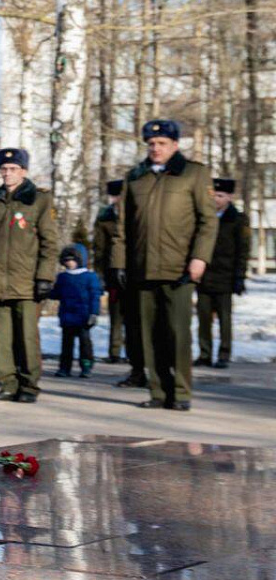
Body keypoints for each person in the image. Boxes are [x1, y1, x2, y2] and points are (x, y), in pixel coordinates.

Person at [111, 119, 217, 411]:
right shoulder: (135, 177)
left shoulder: (194, 174)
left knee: (177, 333)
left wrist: (199, 258)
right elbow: (123, 227)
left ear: (175, 144)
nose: (156, 148)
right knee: (149, 335)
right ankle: (158, 391)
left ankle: (181, 393)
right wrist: (119, 264)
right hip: (142, 268)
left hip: (179, 268)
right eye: (151, 144)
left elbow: (208, 222)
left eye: (162, 143)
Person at [0, 147, 58, 404]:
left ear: (24, 171)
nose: (7, 173)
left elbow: (49, 243)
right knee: (2, 338)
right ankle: (8, 384)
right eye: (4, 169)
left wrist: (45, 277)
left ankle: (29, 386)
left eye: (13, 169)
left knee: (27, 337)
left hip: (26, 282)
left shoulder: (39, 199)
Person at [195, 177, 249, 369]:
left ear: (229, 197)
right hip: (204, 276)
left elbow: (242, 251)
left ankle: (224, 354)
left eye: (220, 195)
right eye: (213, 195)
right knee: (203, 319)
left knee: (224, 319)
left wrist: (239, 277)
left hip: (225, 277)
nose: (216, 199)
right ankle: (205, 354)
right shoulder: (203, 217)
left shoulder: (237, 219)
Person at [49, 244, 101, 378]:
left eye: (72, 260)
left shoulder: (90, 277)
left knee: (85, 344)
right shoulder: (63, 277)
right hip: (67, 316)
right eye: (66, 260)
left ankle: (86, 367)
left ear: (80, 260)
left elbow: (95, 296)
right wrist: (46, 291)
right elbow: (57, 293)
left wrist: (94, 313)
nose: (69, 263)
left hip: (84, 316)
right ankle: (64, 368)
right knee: (66, 344)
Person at [92, 180, 127, 365]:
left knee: (134, 315)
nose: (116, 200)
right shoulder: (105, 217)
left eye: (119, 195)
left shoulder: (134, 213)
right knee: (116, 314)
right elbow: (99, 247)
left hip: (133, 272)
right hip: (112, 272)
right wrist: (100, 273)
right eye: (113, 196)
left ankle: (134, 353)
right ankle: (114, 351)